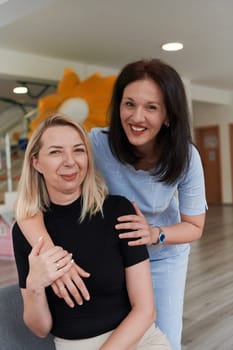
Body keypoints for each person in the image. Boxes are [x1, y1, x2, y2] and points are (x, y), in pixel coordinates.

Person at [17, 59, 207, 350]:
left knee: (164, 333)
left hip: (163, 252)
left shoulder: (186, 158)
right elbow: (29, 207)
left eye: (152, 107)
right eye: (129, 104)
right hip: (114, 251)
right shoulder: (95, 143)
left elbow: (194, 226)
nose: (137, 116)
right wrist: (53, 256)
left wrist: (154, 234)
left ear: (169, 115)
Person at [12, 114, 171, 350]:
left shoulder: (118, 211)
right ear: (36, 162)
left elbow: (145, 310)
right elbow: (40, 329)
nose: (70, 161)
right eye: (56, 152)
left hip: (138, 338)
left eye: (78, 150)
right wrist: (35, 285)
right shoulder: (26, 233)